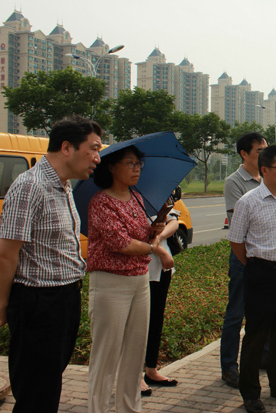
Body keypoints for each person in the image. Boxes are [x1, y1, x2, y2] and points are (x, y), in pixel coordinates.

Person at [0, 116, 103, 413]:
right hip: (39, 303)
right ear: (67, 148)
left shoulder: (64, 186)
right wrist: (4, 303)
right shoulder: (30, 186)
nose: (97, 157)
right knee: (36, 393)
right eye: (93, 148)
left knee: (48, 384)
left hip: (64, 298)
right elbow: (3, 255)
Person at [86, 145, 173, 413]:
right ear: (112, 167)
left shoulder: (135, 197)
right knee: (106, 354)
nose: (136, 169)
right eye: (130, 163)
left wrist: (155, 230)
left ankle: (129, 407)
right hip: (110, 283)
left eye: (138, 164)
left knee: (135, 352)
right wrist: (153, 248)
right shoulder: (101, 202)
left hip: (139, 280)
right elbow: (120, 243)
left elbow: (141, 235)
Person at [229, 146, 276, 413]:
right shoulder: (248, 202)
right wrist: (256, 267)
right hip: (261, 274)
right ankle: (251, 393)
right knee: (256, 335)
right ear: (265, 170)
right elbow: (236, 242)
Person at [221, 132, 268, 389]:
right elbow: (239, 221)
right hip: (243, 255)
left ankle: (263, 356)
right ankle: (229, 366)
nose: (264, 154)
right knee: (236, 312)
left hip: (266, 254)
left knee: (263, 310)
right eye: (259, 150)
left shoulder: (268, 177)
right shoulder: (234, 182)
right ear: (244, 153)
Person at [140, 207, 181, 396]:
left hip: (162, 267)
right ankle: (135, 375)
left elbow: (174, 221)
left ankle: (151, 369)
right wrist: (155, 246)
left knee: (156, 319)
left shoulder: (157, 198)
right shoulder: (128, 200)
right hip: (141, 268)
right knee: (138, 325)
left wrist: (159, 236)